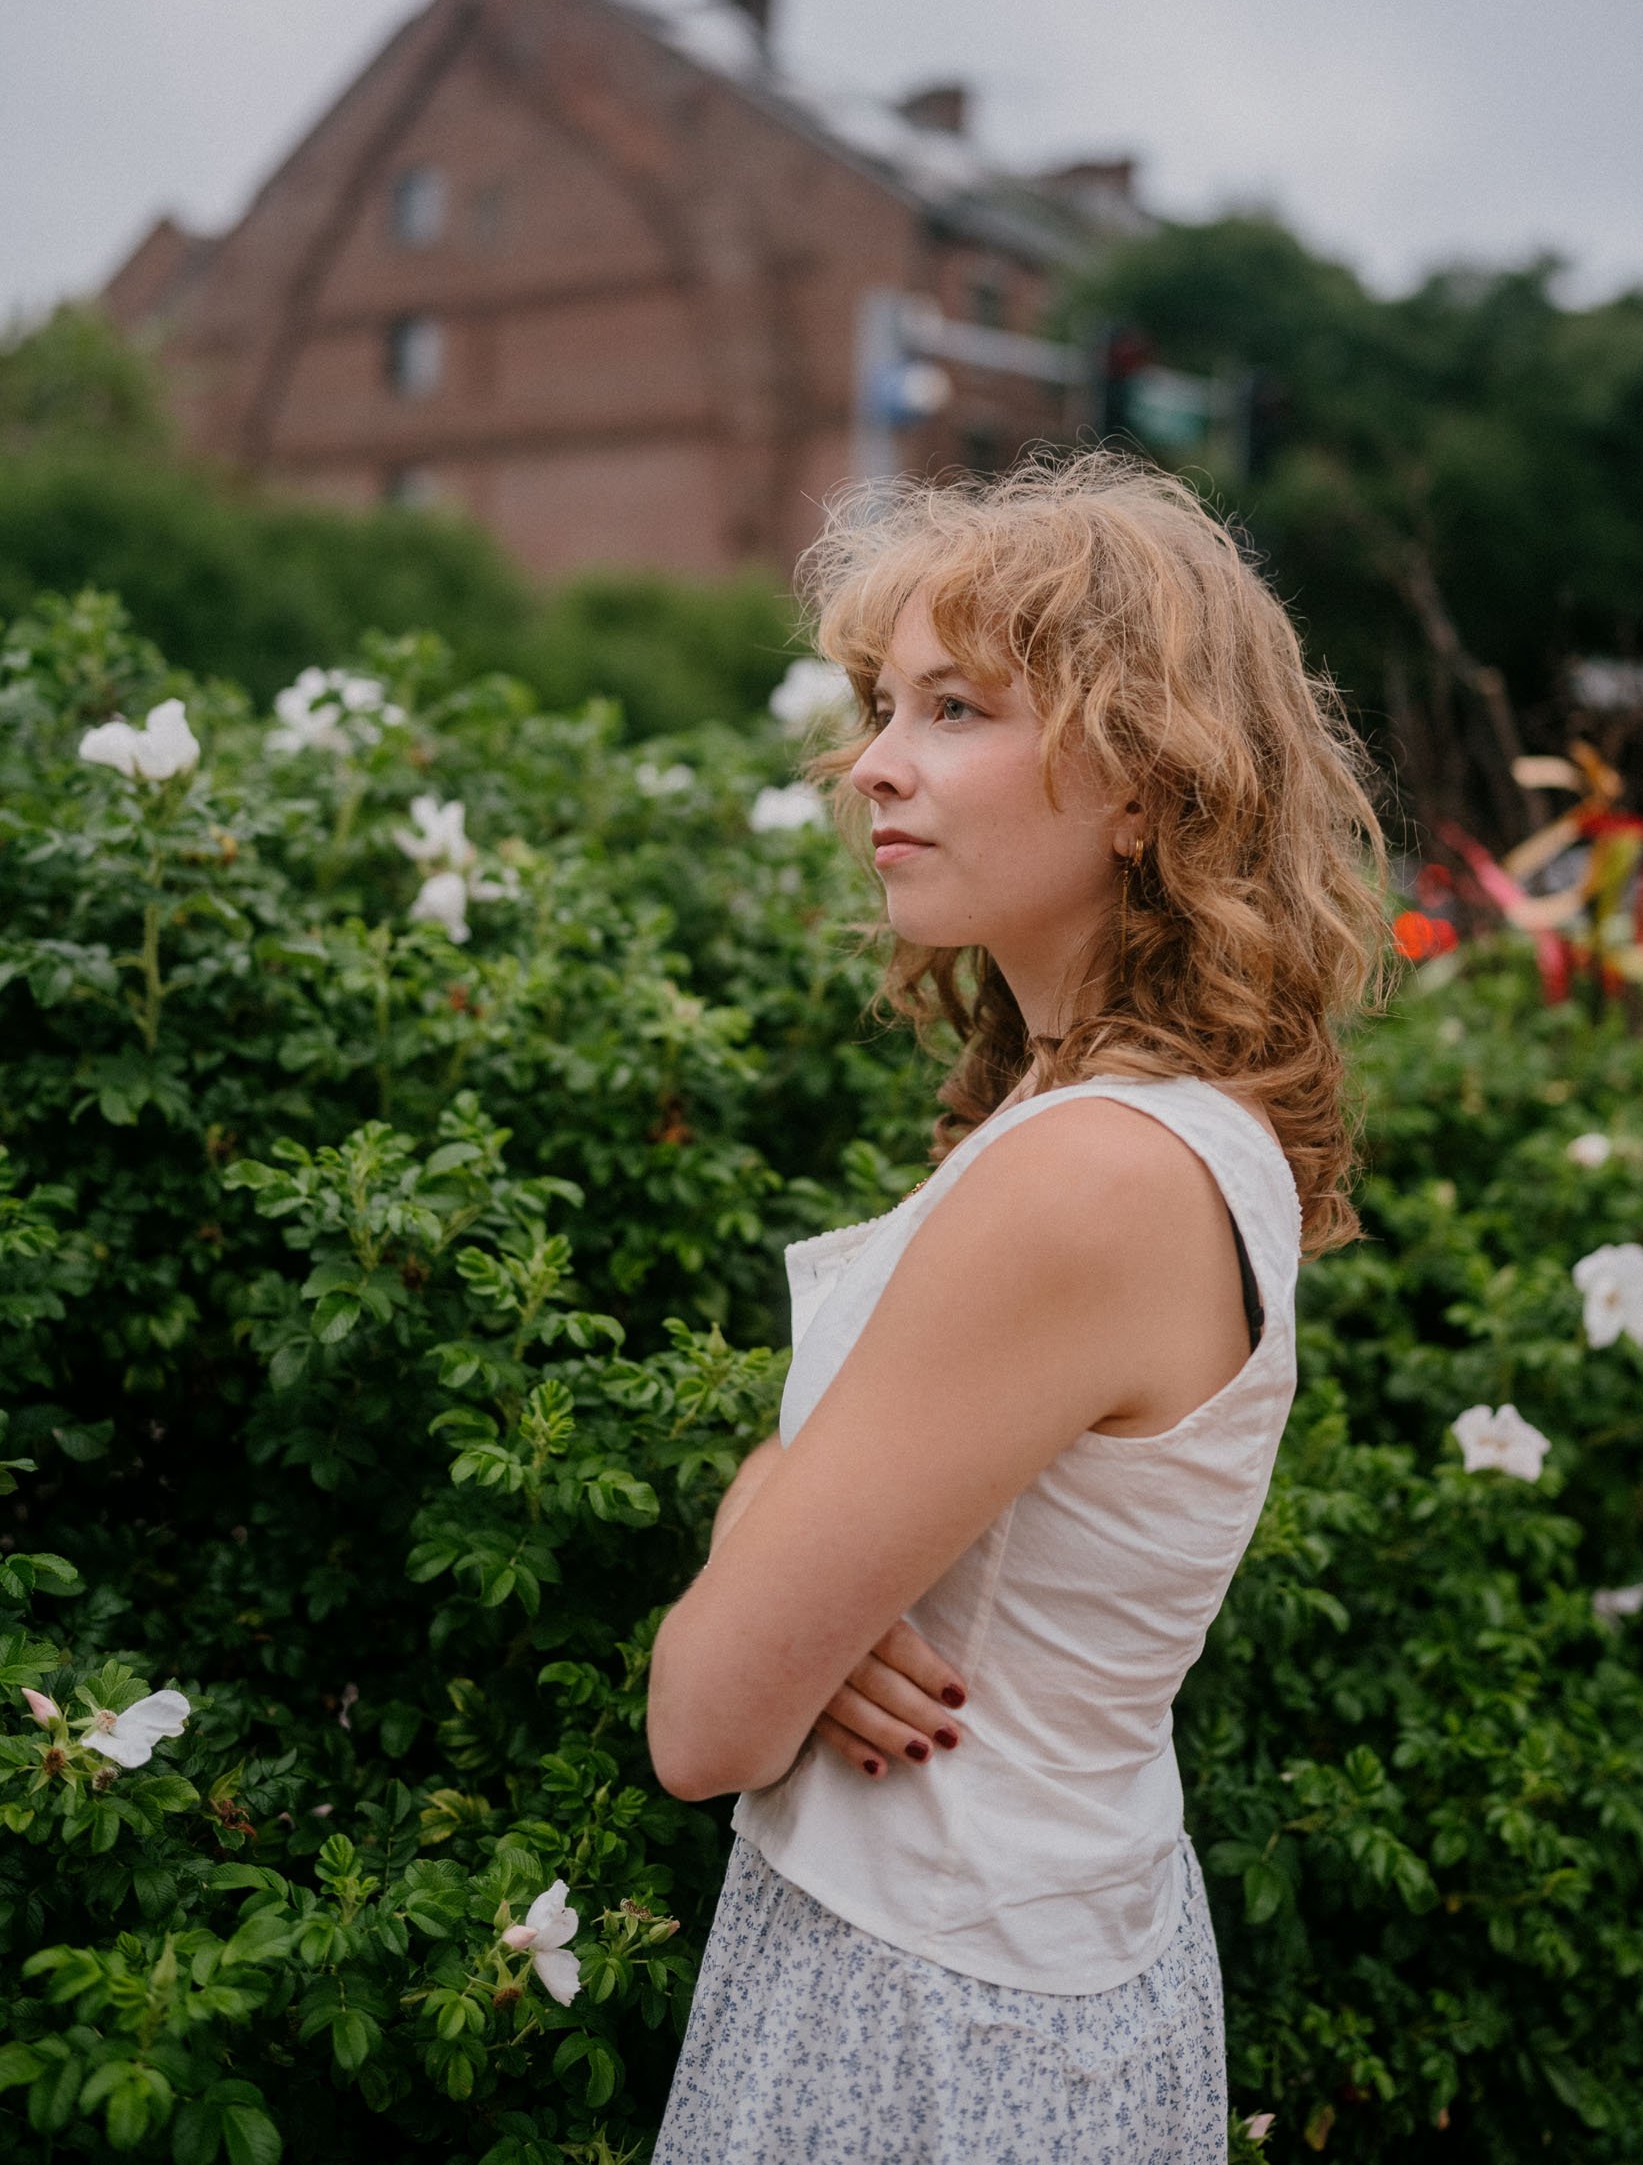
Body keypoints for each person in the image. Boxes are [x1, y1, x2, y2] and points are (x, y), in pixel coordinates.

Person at [647, 455, 1387, 2163]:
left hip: (931, 2001)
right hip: (1020, 1955)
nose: (875, 766)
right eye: (883, 705)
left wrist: (776, 1585)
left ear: (1147, 786)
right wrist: (792, 1536)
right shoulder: (1130, 1124)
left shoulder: (1092, 1175)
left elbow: (702, 1722)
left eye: (959, 708)